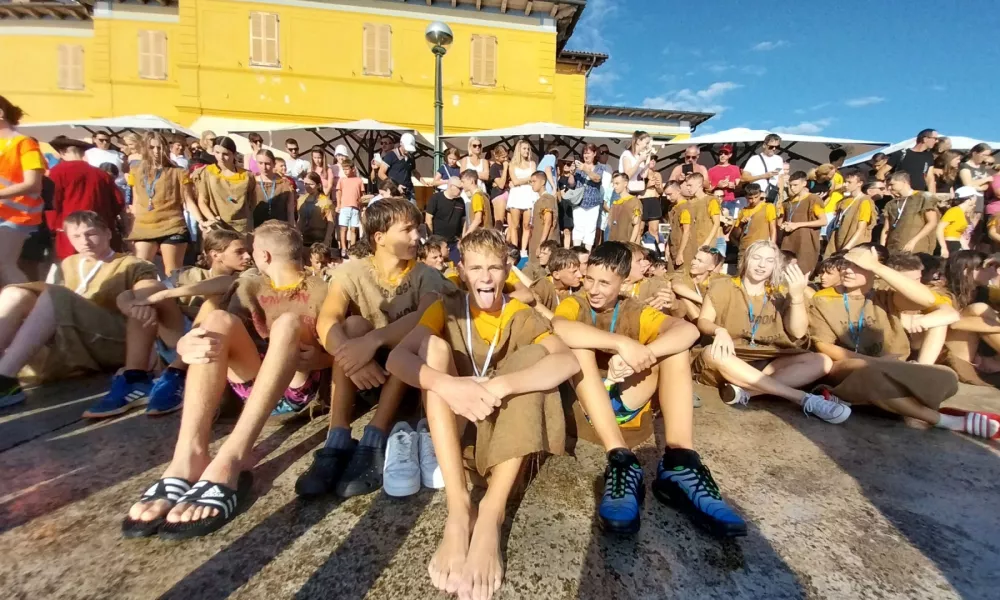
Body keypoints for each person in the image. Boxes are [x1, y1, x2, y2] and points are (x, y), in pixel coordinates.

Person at [386, 228, 579, 600]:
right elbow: (398, 358)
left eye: (494, 267)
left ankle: (491, 513)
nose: (486, 277)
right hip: (455, 422)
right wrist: (448, 386)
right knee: (434, 348)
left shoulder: (519, 314)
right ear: (461, 271)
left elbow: (567, 360)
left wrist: (502, 385)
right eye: (476, 268)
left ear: (508, 270)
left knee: (532, 360)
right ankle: (458, 512)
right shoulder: (445, 307)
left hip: (506, 428)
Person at [121, 221, 331, 540]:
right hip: (254, 382)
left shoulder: (319, 289)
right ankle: (188, 456)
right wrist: (184, 345)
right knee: (217, 319)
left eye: (251, 252)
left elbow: (338, 351)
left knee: (287, 325)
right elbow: (216, 303)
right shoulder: (249, 284)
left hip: (297, 387)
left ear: (263, 255)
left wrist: (317, 358)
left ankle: (231, 458)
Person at [552, 242, 746, 538]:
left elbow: (689, 331)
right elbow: (559, 327)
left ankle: (680, 462)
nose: (593, 289)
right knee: (577, 346)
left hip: (625, 400)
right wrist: (622, 344)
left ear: (625, 280)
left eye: (605, 282)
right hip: (587, 408)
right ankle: (620, 459)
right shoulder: (575, 304)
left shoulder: (633, 309)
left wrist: (642, 356)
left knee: (676, 349)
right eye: (589, 279)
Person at [296, 199, 458, 499]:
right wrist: (351, 357)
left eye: (417, 229)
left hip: (408, 375)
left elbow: (426, 314)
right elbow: (327, 320)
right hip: (365, 375)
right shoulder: (352, 271)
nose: (416, 237)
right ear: (379, 237)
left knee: (408, 338)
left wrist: (373, 342)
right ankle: (338, 437)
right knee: (353, 325)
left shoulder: (425, 275)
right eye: (407, 229)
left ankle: (376, 434)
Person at [809, 245, 998, 439]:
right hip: (850, 366)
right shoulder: (823, 299)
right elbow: (823, 346)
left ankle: (879, 401)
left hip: (893, 369)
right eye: (846, 265)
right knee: (871, 374)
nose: (847, 270)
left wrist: (878, 267)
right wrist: (875, 362)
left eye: (858, 266)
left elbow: (927, 300)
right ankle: (943, 420)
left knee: (947, 376)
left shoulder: (885, 296)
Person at [0, 211, 166, 410]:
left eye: (91, 234)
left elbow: (148, 291)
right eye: (77, 236)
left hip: (112, 340)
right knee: (16, 293)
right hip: (72, 336)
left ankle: (5, 379)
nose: (85, 241)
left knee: (56, 294)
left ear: (108, 233)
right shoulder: (68, 264)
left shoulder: (132, 263)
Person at [694, 240, 848, 422]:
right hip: (731, 356)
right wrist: (720, 331)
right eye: (757, 258)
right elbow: (703, 321)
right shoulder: (723, 286)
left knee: (822, 361)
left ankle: (748, 393)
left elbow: (797, 332)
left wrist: (797, 296)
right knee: (712, 353)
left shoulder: (780, 293)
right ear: (745, 260)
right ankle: (803, 398)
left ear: (775, 265)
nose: (761, 265)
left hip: (770, 360)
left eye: (769, 260)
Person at [130, 229, 255, 414]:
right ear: (216, 255)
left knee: (214, 302)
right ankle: (133, 377)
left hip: (210, 348)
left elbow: (226, 284)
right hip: (180, 339)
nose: (247, 256)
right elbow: (130, 295)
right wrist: (134, 306)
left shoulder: (249, 274)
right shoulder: (191, 275)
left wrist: (168, 294)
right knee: (145, 287)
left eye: (248, 251)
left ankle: (176, 373)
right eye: (239, 252)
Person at [127, 131, 200, 276]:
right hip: (144, 226)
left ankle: (173, 298)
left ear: (166, 148)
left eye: (160, 147)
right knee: (140, 270)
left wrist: (202, 220)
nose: (156, 152)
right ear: (145, 148)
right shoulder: (135, 171)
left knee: (172, 273)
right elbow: (135, 203)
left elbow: (189, 201)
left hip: (172, 224)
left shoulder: (178, 172)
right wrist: (130, 230)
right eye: (152, 147)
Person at [46, 136, 125, 261]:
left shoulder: (56, 172)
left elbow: (50, 203)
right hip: (99, 231)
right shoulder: (102, 174)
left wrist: (52, 227)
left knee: (72, 269)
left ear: (62, 152)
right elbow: (118, 202)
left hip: (70, 232)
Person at [0, 96, 47, 286]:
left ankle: (34, 307)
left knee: (4, 264)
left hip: (17, 215)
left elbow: (33, 184)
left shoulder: (24, 143)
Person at [196, 136, 258, 234]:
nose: (221, 157)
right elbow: (202, 201)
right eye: (217, 153)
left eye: (225, 154)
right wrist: (212, 220)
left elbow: (252, 202)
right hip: (216, 226)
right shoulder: (207, 172)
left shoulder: (246, 175)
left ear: (234, 154)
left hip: (242, 227)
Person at [778, 171, 826, 275]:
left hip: (805, 242)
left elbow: (823, 221)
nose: (792, 188)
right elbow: (781, 221)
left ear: (804, 183)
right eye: (790, 185)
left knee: (802, 273)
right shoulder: (787, 202)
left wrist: (797, 225)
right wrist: (783, 225)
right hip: (788, 242)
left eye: (795, 185)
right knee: (784, 272)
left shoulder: (813, 199)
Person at [882, 172, 939, 254]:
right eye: (888, 185)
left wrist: (913, 241)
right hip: (893, 248)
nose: (889, 188)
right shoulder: (891, 204)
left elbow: (932, 222)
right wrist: (882, 249)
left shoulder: (924, 197)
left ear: (904, 182)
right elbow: (886, 229)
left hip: (916, 248)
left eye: (892, 184)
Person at [825, 170, 875, 257]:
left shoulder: (864, 201)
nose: (845, 184)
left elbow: (861, 228)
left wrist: (847, 248)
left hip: (851, 243)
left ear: (859, 183)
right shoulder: (844, 200)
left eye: (849, 182)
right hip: (836, 239)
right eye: (845, 181)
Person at [670, 246, 725, 321]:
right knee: (683, 297)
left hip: (710, 320)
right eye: (695, 258)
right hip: (685, 320)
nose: (694, 262)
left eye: (700, 261)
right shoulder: (684, 273)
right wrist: (704, 301)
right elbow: (676, 286)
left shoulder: (715, 280)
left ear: (711, 267)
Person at [505, 140, 538, 254]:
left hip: (529, 195)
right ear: (519, 150)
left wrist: (521, 181)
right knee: (514, 225)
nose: (527, 151)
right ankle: (515, 249)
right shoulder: (512, 164)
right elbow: (514, 180)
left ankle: (524, 250)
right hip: (516, 195)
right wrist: (526, 179)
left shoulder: (532, 163)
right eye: (524, 148)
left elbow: (534, 178)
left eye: (528, 149)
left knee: (527, 225)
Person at [529, 247, 582, 316]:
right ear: (556, 275)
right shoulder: (541, 289)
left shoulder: (581, 287)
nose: (580, 275)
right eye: (574, 272)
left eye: (578, 270)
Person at [573, 144, 608, 249]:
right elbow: (572, 184)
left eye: (588, 153)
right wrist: (571, 173)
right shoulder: (578, 168)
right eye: (584, 153)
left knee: (590, 229)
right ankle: (576, 252)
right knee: (578, 228)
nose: (585, 155)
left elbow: (597, 179)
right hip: (579, 202)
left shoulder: (600, 167)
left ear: (594, 154)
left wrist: (585, 169)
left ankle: (587, 253)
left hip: (593, 203)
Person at [425, 177, 467, 264]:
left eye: (462, 188)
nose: (461, 191)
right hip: (438, 243)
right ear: (451, 186)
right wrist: (431, 239)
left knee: (457, 266)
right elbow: (428, 219)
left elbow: (464, 221)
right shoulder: (436, 198)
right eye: (459, 188)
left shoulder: (461, 201)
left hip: (454, 243)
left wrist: (462, 238)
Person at [251, 149, 296, 227]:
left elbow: (290, 211)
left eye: (267, 163)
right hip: (257, 228)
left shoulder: (284, 184)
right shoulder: (252, 183)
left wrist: (292, 228)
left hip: (279, 228)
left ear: (273, 164)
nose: (264, 167)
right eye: (260, 163)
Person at [735, 183, 777, 259]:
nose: (753, 200)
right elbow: (736, 234)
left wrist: (772, 246)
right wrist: (741, 223)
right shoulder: (743, 211)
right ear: (746, 197)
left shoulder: (768, 207)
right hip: (744, 248)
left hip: (760, 248)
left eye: (756, 197)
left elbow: (772, 228)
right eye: (750, 198)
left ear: (760, 194)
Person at [525, 171, 559, 263]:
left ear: (543, 182)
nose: (532, 184)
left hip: (545, 244)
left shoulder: (547, 199)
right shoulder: (539, 200)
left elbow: (548, 222)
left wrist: (541, 244)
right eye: (530, 182)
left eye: (534, 181)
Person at [741, 134, 784, 202]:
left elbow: (780, 178)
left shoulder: (779, 159)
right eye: (771, 146)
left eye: (777, 147)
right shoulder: (754, 159)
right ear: (764, 145)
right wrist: (763, 176)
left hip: (773, 196)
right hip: (758, 197)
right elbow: (743, 178)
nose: (774, 149)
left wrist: (781, 196)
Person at [937, 187, 978, 258]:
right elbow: (939, 229)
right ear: (970, 198)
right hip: (949, 244)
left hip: (956, 244)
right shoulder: (954, 211)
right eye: (975, 196)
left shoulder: (962, 213)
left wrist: (966, 249)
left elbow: (960, 234)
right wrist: (943, 247)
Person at [296, 172, 335, 247]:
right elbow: (299, 219)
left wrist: (327, 240)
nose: (307, 186)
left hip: (319, 240)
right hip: (303, 239)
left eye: (311, 184)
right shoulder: (301, 200)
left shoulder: (325, 201)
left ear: (318, 185)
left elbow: (331, 222)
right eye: (305, 184)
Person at [378, 133, 419, 201]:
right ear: (401, 144)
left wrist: (424, 182)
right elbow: (381, 173)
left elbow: (414, 171)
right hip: (395, 193)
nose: (408, 151)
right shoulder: (391, 155)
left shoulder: (411, 157)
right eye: (406, 148)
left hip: (409, 192)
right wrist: (395, 185)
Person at [336, 161, 365, 251]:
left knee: (353, 229)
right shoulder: (342, 180)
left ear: (353, 169)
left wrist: (362, 205)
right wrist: (338, 205)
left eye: (347, 169)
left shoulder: (359, 180)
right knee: (343, 228)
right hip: (344, 207)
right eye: (343, 169)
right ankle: (343, 248)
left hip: (355, 208)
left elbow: (362, 194)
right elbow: (338, 192)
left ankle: (352, 248)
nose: (345, 171)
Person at [606, 172, 642, 243]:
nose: (614, 186)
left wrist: (630, 243)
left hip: (626, 243)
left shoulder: (635, 201)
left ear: (625, 184)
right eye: (613, 184)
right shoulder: (615, 203)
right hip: (613, 242)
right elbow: (610, 224)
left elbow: (636, 224)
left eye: (617, 183)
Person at [460, 168, 493, 235]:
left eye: (463, 182)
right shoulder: (483, 195)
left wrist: (466, 235)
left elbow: (478, 219)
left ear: (471, 181)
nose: (462, 185)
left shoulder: (477, 196)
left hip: (481, 235)